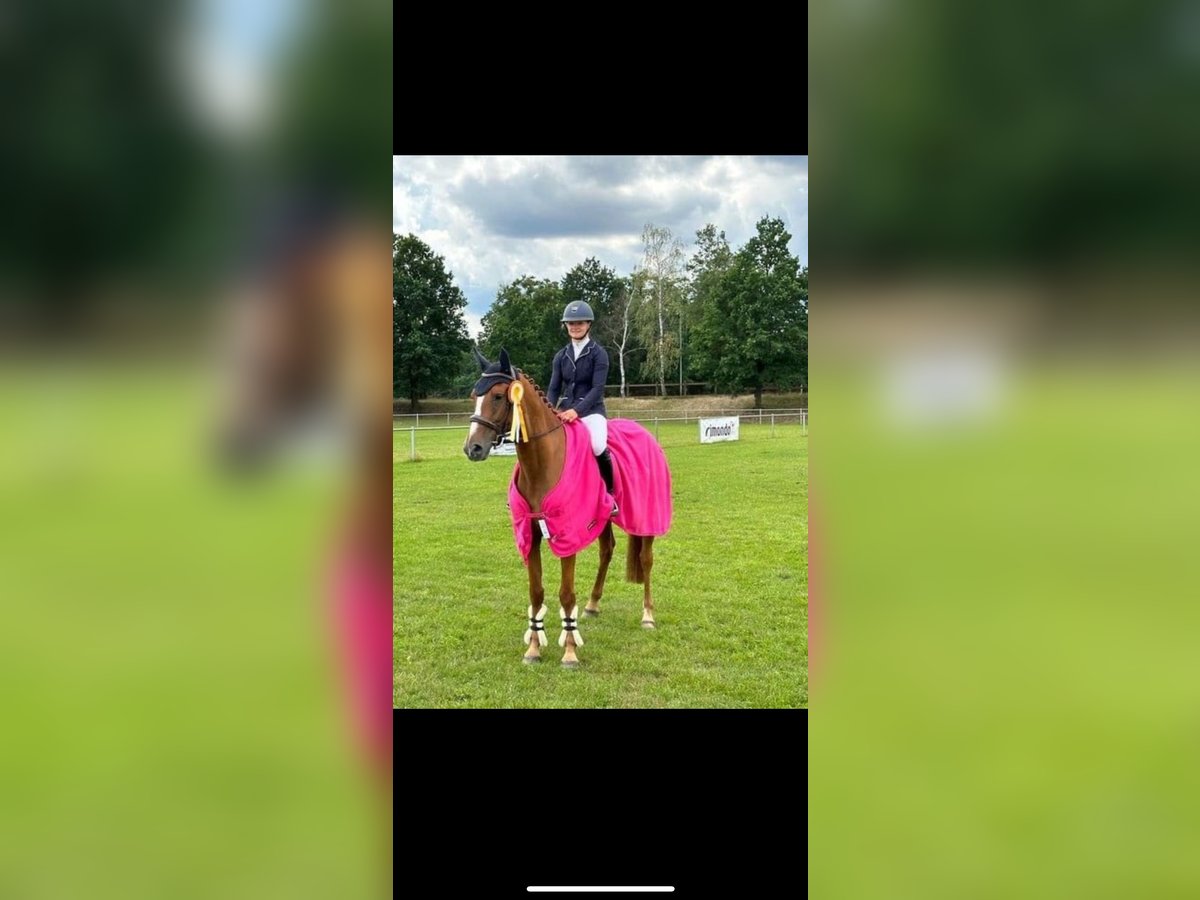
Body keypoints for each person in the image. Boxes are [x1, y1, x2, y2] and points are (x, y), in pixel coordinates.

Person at [548, 300, 619, 516]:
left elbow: (597, 389)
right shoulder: (561, 356)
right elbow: (554, 388)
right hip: (564, 410)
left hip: (591, 411)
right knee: (541, 442)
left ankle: (609, 494)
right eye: (571, 323)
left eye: (579, 323)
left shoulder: (599, 354)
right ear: (565, 326)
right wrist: (548, 410)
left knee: (597, 445)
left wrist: (576, 411)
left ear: (589, 324)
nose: (575, 326)